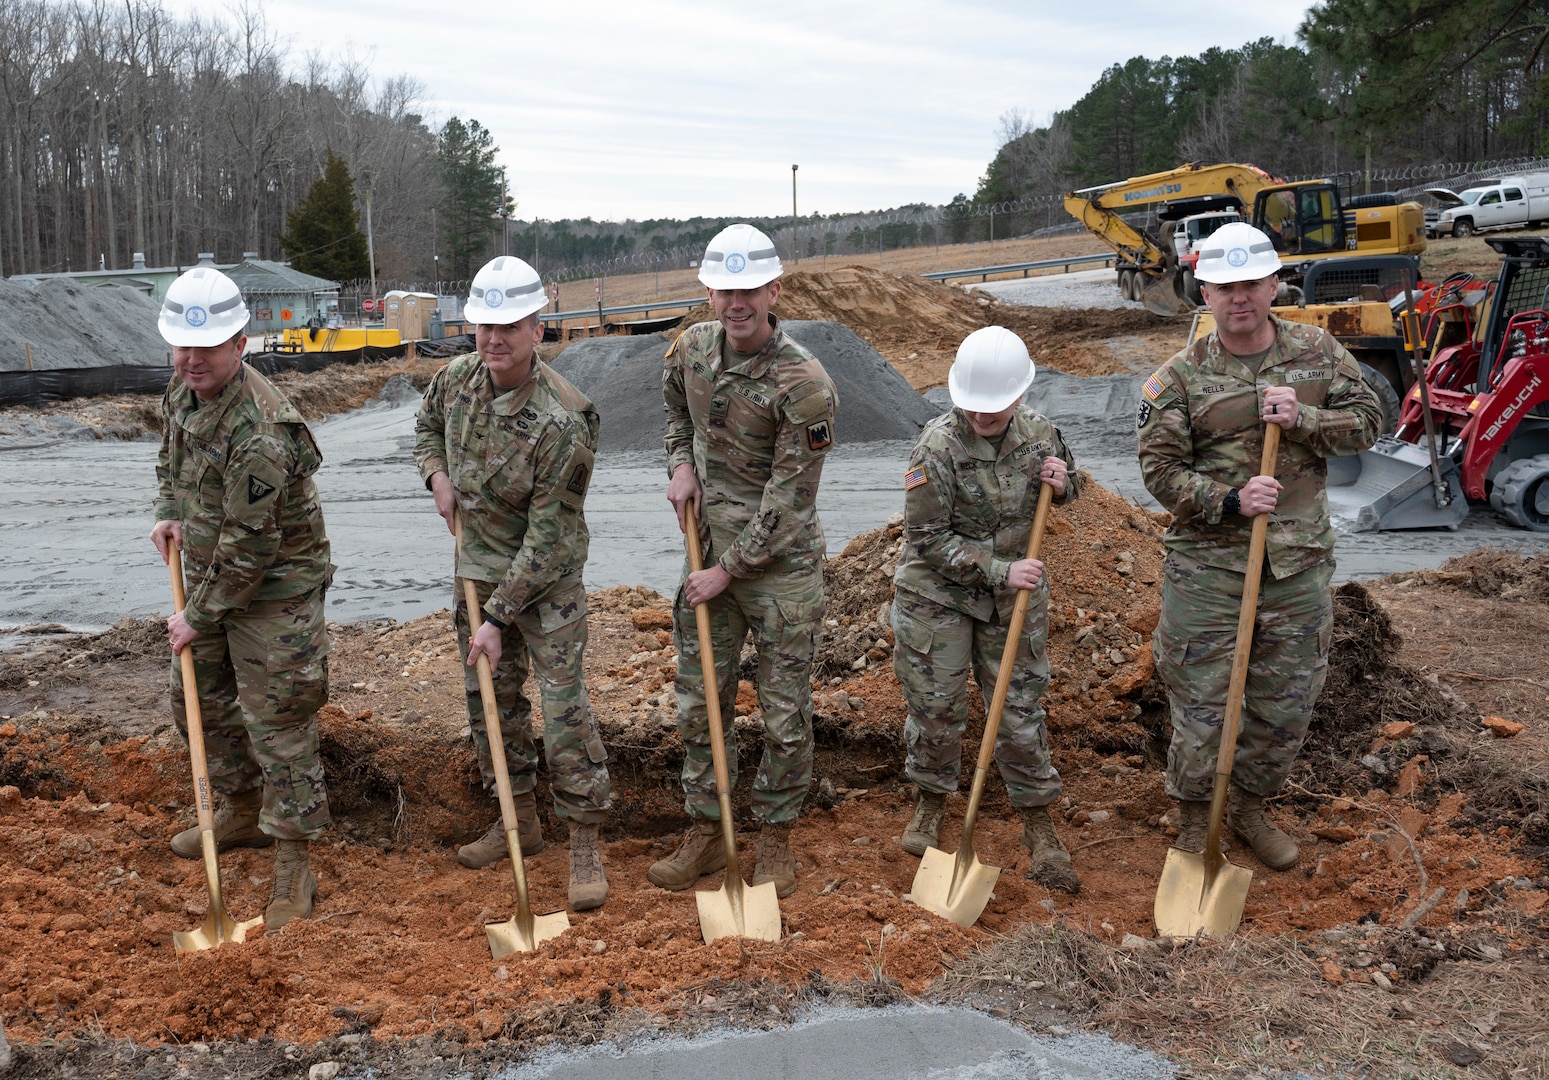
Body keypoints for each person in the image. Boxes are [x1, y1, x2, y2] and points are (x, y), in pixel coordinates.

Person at [1137, 222, 1381, 870]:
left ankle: (1247, 805)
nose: (1238, 298)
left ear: (1274, 285)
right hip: (1209, 566)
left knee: (1285, 701)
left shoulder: (1318, 353)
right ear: (1203, 293)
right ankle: (1195, 823)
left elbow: (1370, 422)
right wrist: (1227, 498)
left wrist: (1304, 417)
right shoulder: (1179, 378)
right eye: (1223, 287)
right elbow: (1158, 470)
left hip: (1295, 564)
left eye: (1250, 284)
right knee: (1202, 703)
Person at [412, 255, 612, 912]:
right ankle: (518, 821)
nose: (494, 340)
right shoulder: (454, 382)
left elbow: (550, 536)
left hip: (544, 583)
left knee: (562, 714)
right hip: (476, 568)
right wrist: (436, 477)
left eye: (509, 327)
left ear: (537, 328)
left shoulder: (564, 421)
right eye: (483, 328)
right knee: (489, 706)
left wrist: (497, 618)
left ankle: (583, 839)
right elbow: (426, 430)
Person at [650, 223, 838, 899]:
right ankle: (707, 828)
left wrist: (726, 571)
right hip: (708, 557)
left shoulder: (804, 384)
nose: (736, 302)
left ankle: (776, 840)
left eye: (750, 289)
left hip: (776, 571)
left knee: (783, 715)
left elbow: (789, 501)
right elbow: (674, 411)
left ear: (774, 291)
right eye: (725, 289)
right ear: (707, 291)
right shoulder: (691, 349)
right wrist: (680, 466)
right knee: (702, 705)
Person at [150, 266, 333, 931]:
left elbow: (250, 553)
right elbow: (171, 457)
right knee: (194, 692)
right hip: (209, 575)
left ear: (241, 342)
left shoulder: (261, 432)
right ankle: (235, 806)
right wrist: (169, 509)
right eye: (182, 347)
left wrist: (194, 616)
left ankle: (293, 859)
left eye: (208, 347)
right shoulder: (185, 391)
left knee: (278, 717)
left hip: (273, 587)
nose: (192, 360)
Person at [890, 326, 1083, 894]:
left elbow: (1075, 487)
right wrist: (1001, 570)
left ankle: (1038, 825)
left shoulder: (1043, 436)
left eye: (994, 409)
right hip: (938, 595)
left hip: (1012, 601)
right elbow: (926, 536)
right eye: (971, 407)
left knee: (1019, 710)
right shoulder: (935, 448)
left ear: (1019, 397)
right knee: (937, 707)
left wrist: (1065, 482)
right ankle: (930, 803)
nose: (981, 417)